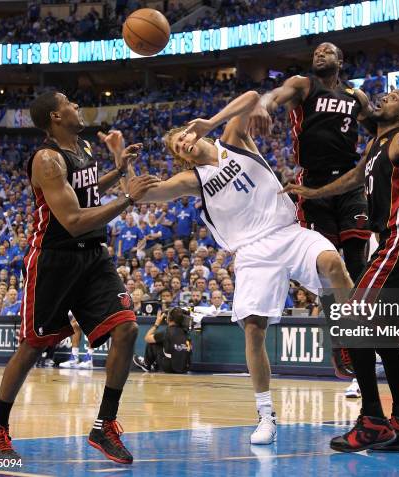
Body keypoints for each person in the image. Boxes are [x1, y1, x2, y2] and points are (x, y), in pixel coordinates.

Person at [140, 89, 354, 445]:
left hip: (287, 232)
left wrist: (211, 119)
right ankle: (266, 414)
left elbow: (253, 95)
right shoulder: (192, 181)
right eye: (177, 147)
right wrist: (123, 166)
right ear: (180, 158)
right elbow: (152, 193)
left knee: (334, 263)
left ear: (197, 132)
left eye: (184, 137)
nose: (184, 144)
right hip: (253, 252)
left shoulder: (233, 139)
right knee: (253, 329)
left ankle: (347, 340)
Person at [0, 91, 158, 463]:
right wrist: (128, 198)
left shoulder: (81, 147)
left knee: (126, 328)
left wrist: (119, 171)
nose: (76, 105)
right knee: (33, 346)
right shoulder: (48, 159)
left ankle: (104, 425)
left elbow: (88, 195)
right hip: (53, 260)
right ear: (56, 117)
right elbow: (74, 221)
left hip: (92, 257)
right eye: (69, 103)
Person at [284, 87, 399, 451]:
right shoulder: (375, 146)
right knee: (385, 335)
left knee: (352, 317)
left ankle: (371, 419)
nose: (387, 96)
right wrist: (311, 192)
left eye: (396, 97)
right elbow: (353, 178)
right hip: (391, 241)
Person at [249, 42, 372, 282]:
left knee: (357, 255)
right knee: (323, 258)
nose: (320, 54)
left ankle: (362, 316)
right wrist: (262, 106)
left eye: (327, 52)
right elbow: (274, 96)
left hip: (349, 180)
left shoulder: (356, 95)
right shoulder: (303, 84)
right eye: (316, 53)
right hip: (313, 181)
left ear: (340, 61)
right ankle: (333, 318)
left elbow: (379, 127)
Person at [132, 307, 192, 373]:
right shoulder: (186, 332)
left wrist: (156, 324)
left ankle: (146, 365)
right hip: (185, 368)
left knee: (152, 344)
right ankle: (154, 364)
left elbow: (147, 338)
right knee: (165, 344)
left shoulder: (167, 332)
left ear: (169, 318)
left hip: (170, 368)